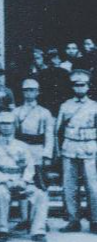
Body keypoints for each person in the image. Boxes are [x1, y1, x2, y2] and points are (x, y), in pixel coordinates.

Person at [0, 112, 49, 242]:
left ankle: (38, 231)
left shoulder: (22, 146)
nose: (5, 127)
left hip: (21, 182)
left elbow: (29, 166)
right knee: (0, 193)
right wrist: (6, 181)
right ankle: (2, 229)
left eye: (8, 124)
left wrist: (25, 181)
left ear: (14, 126)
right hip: (2, 183)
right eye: (2, 124)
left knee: (40, 195)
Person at [55, 69, 97, 233]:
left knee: (92, 186)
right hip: (70, 148)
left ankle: (95, 219)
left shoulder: (94, 106)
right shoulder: (65, 106)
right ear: (72, 87)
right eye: (75, 85)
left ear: (88, 86)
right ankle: (73, 219)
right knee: (69, 186)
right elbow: (58, 130)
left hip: (89, 147)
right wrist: (57, 152)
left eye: (82, 85)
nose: (79, 88)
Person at [11, 79, 54, 189]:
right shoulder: (16, 112)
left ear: (37, 92)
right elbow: (12, 133)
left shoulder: (44, 112)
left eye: (32, 90)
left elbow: (49, 135)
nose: (29, 93)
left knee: (39, 182)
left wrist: (47, 155)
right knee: (22, 180)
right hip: (21, 148)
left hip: (37, 149)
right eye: (26, 90)